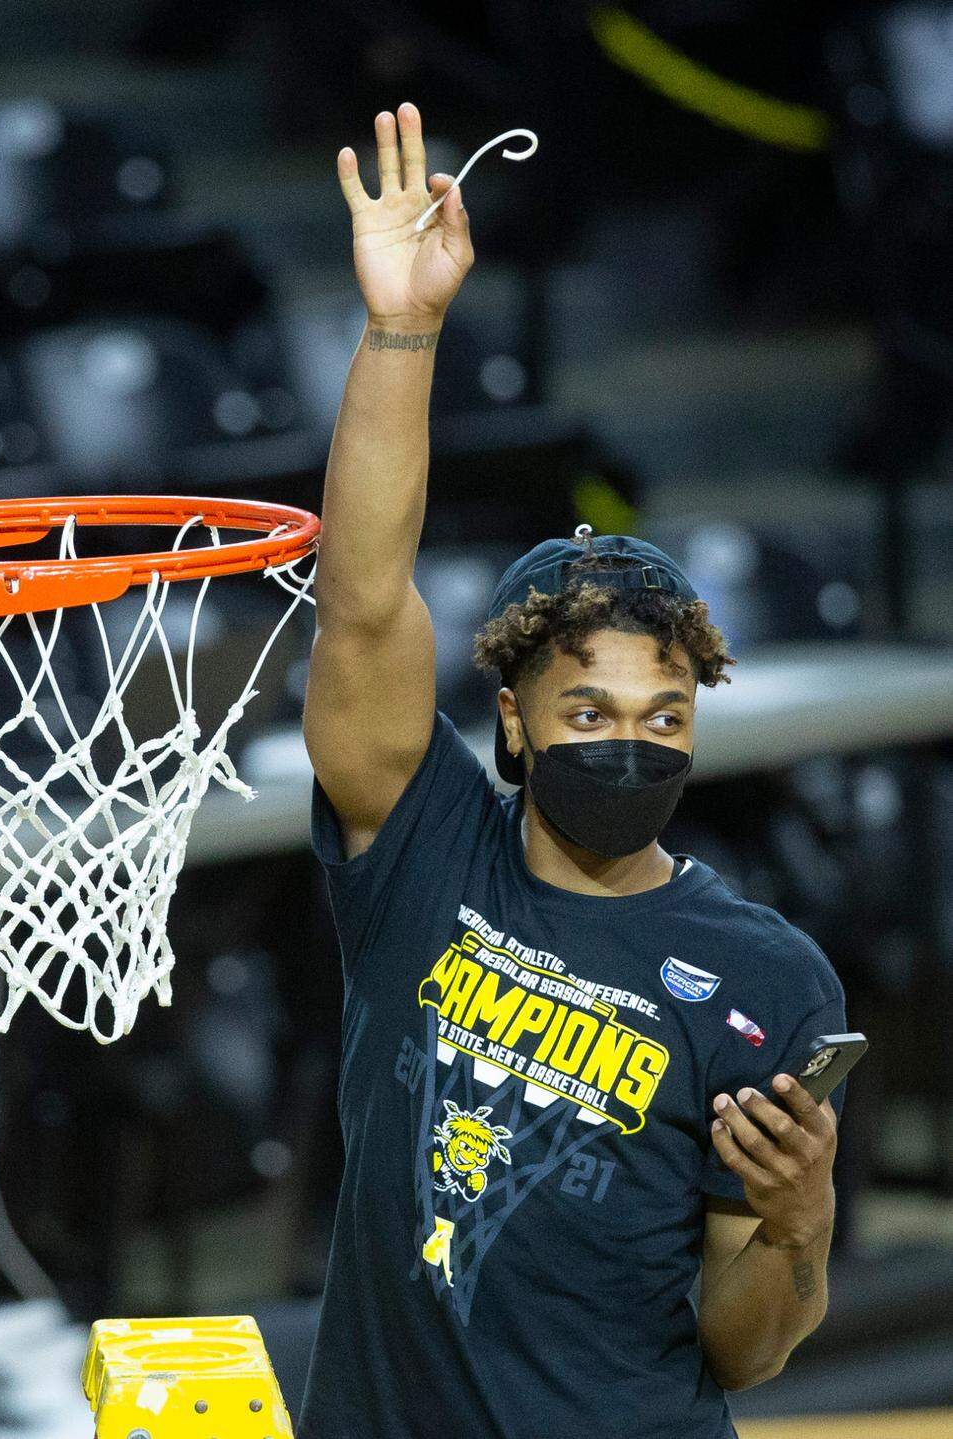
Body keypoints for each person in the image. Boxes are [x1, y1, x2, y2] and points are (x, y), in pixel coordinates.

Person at [299, 101, 847, 1439]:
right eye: (589, 708)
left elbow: (748, 1351)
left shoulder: (770, 976)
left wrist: (795, 1222)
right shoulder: (426, 849)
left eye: (665, 718)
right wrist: (404, 329)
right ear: (513, 721)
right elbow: (365, 600)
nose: (631, 741)